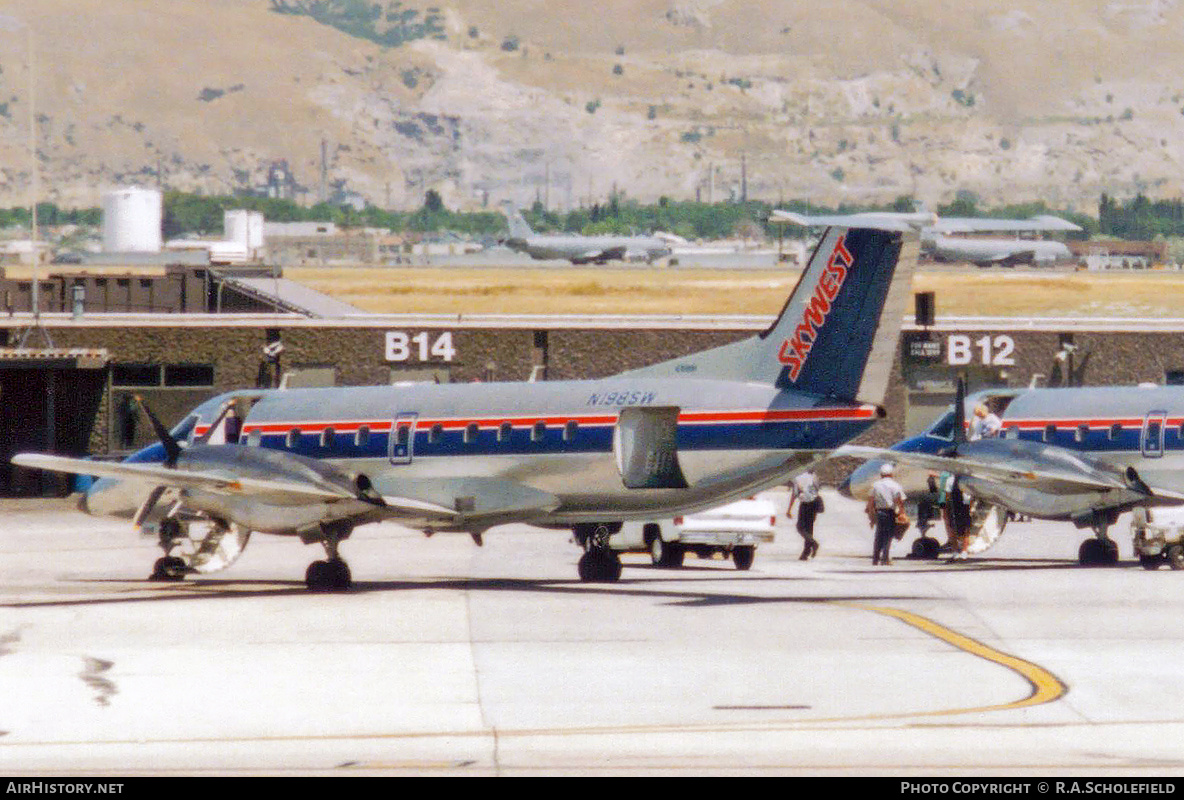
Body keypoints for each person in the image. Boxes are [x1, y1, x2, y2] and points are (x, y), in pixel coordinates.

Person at [870, 463, 906, 566]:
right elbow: (899, 500)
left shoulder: (875, 485)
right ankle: (885, 559)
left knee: (879, 536)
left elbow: (870, 502)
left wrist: (871, 517)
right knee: (888, 536)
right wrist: (902, 512)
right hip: (890, 512)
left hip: (879, 512)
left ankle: (875, 559)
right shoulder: (895, 485)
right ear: (891, 474)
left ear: (881, 474)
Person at [788, 468, 822, 560]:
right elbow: (817, 487)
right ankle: (805, 553)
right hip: (815, 502)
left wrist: (789, 510)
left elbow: (794, 494)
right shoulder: (811, 475)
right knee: (809, 528)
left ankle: (813, 543)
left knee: (800, 527)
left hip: (805, 504)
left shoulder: (796, 477)